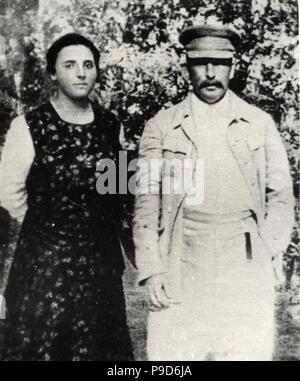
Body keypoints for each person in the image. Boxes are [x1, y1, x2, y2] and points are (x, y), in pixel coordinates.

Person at [133, 24, 294, 361]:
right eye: (200, 63)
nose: (210, 73)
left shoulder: (259, 123)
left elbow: (280, 197)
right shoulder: (160, 126)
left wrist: (271, 251)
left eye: (219, 63)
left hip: (244, 267)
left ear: (232, 67)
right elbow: (145, 205)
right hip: (181, 260)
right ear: (185, 68)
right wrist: (152, 268)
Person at [0, 33, 133, 361]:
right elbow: (8, 195)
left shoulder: (111, 127)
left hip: (100, 272)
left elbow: (118, 197)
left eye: (88, 65)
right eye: (70, 65)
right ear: (53, 73)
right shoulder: (28, 126)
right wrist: (49, 229)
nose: (81, 73)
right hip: (45, 272)